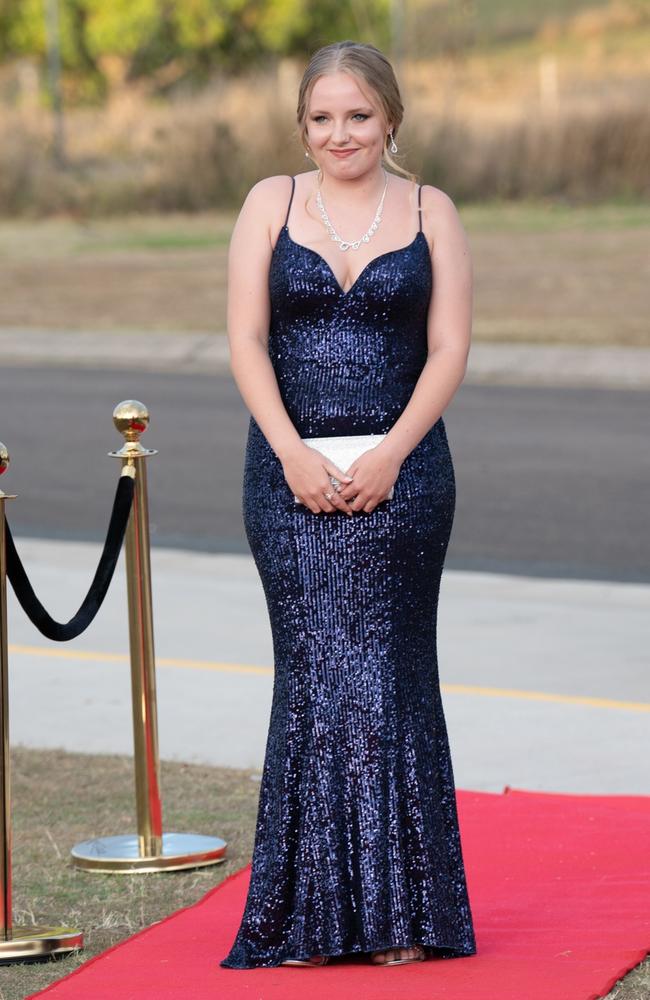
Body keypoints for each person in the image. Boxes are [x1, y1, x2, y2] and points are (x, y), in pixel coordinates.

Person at [220, 39, 476, 970]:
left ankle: (405, 916)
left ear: (391, 119)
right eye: (323, 118)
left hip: (405, 478)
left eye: (359, 116)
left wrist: (392, 454)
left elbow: (448, 349)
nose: (341, 134)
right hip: (286, 481)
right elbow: (246, 338)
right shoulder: (269, 204)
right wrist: (289, 452)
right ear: (302, 124)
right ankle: (307, 919)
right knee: (316, 681)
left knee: (393, 682)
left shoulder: (433, 210)